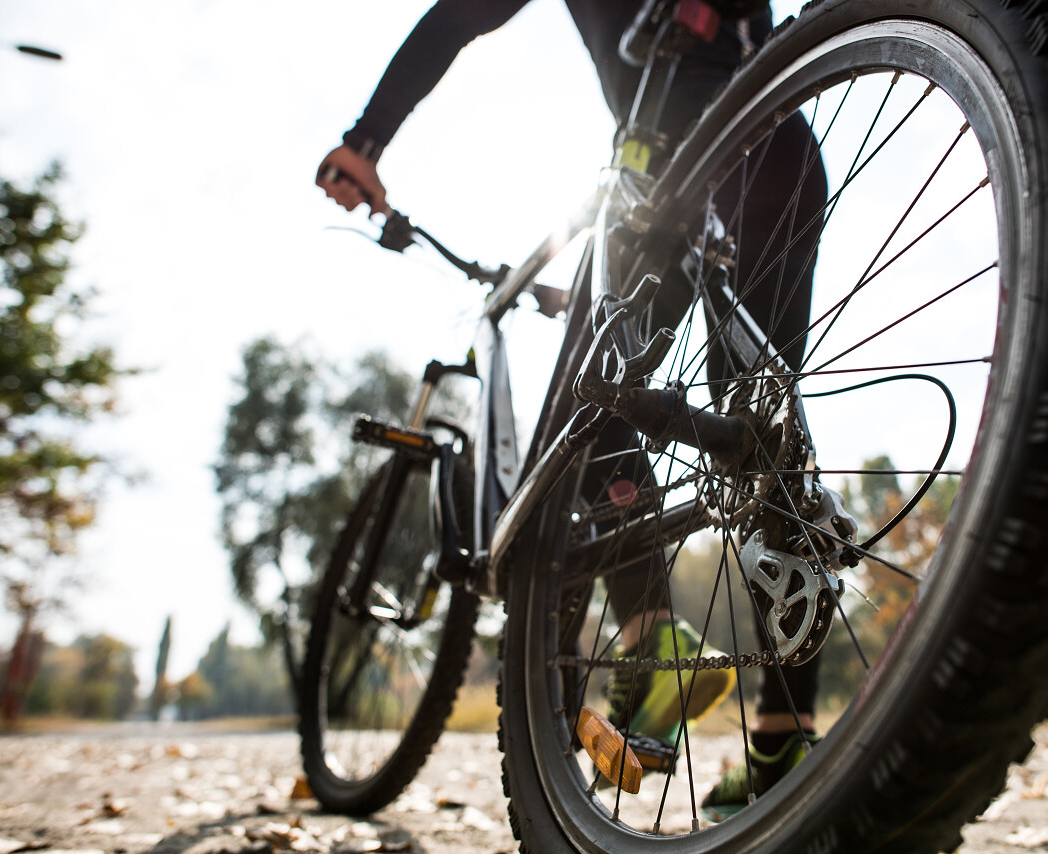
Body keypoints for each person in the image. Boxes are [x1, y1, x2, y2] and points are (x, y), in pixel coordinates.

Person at [316, 0, 827, 821]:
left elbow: (457, 17)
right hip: (781, 140)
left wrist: (366, 141)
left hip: (666, 142)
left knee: (588, 403)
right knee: (766, 429)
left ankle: (653, 633)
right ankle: (780, 745)